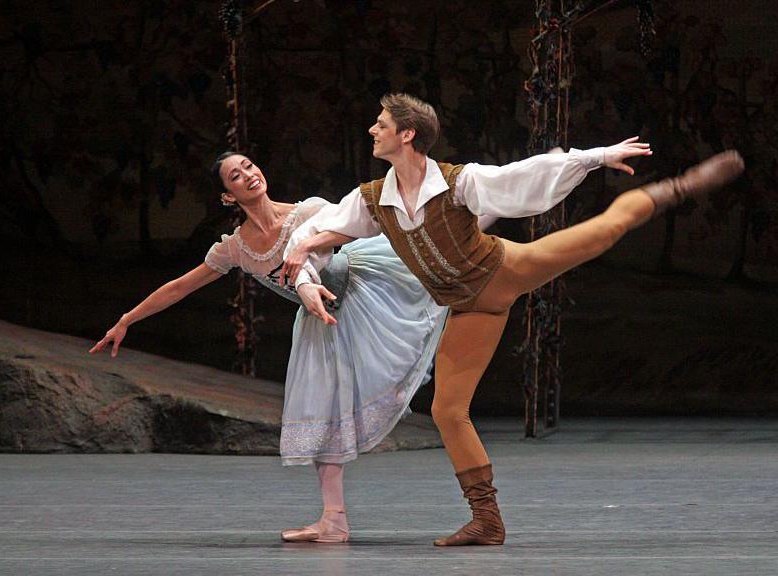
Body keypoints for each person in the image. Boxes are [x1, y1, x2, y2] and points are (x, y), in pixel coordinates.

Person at [281, 93, 744, 546]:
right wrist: (303, 248)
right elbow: (328, 228)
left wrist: (598, 156)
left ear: (407, 134)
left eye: (381, 124)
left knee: (602, 233)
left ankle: (677, 188)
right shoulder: (374, 198)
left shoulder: (458, 182)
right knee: (447, 410)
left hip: (503, 272)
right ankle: (487, 520)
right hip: (466, 307)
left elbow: (522, 177)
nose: (372, 130)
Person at [90, 152, 453, 543]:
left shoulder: (310, 210)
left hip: (367, 289)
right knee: (322, 414)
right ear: (228, 196)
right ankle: (334, 520)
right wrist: (127, 319)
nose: (248, 174)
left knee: (427, 282)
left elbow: (359, 223)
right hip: (322, 321)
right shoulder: (237, 248)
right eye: (235, 175)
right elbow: (180, 286)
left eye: (248, 166)